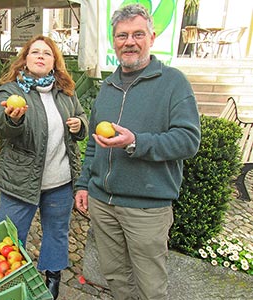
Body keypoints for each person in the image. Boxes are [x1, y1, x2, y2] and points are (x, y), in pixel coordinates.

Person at [74, 4, 201, 300]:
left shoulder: (173, 83)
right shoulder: (107, 86)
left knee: (150, 287)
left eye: (137, 34)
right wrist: (83, 185)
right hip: (103, 204)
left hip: (146, 209)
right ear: (114, 41)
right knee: (117, 278)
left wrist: (136, 143)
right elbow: (93, 143)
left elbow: (188, 140)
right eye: (122, 36)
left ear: (152, 38)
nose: (129, 41)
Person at [0, 35, 88, 299]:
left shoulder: (66, 91)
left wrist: (81, 125)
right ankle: (11, 283)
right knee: (11, 238)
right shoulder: (11, 91)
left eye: (47, 53)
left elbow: (81, 116)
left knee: (57, 233)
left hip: (59, 182)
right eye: (35, 52)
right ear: (25, 58)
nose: (41, 56)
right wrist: (13, 120)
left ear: (54, 62)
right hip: (20, 182)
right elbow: (0, 127)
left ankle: (53, 277)